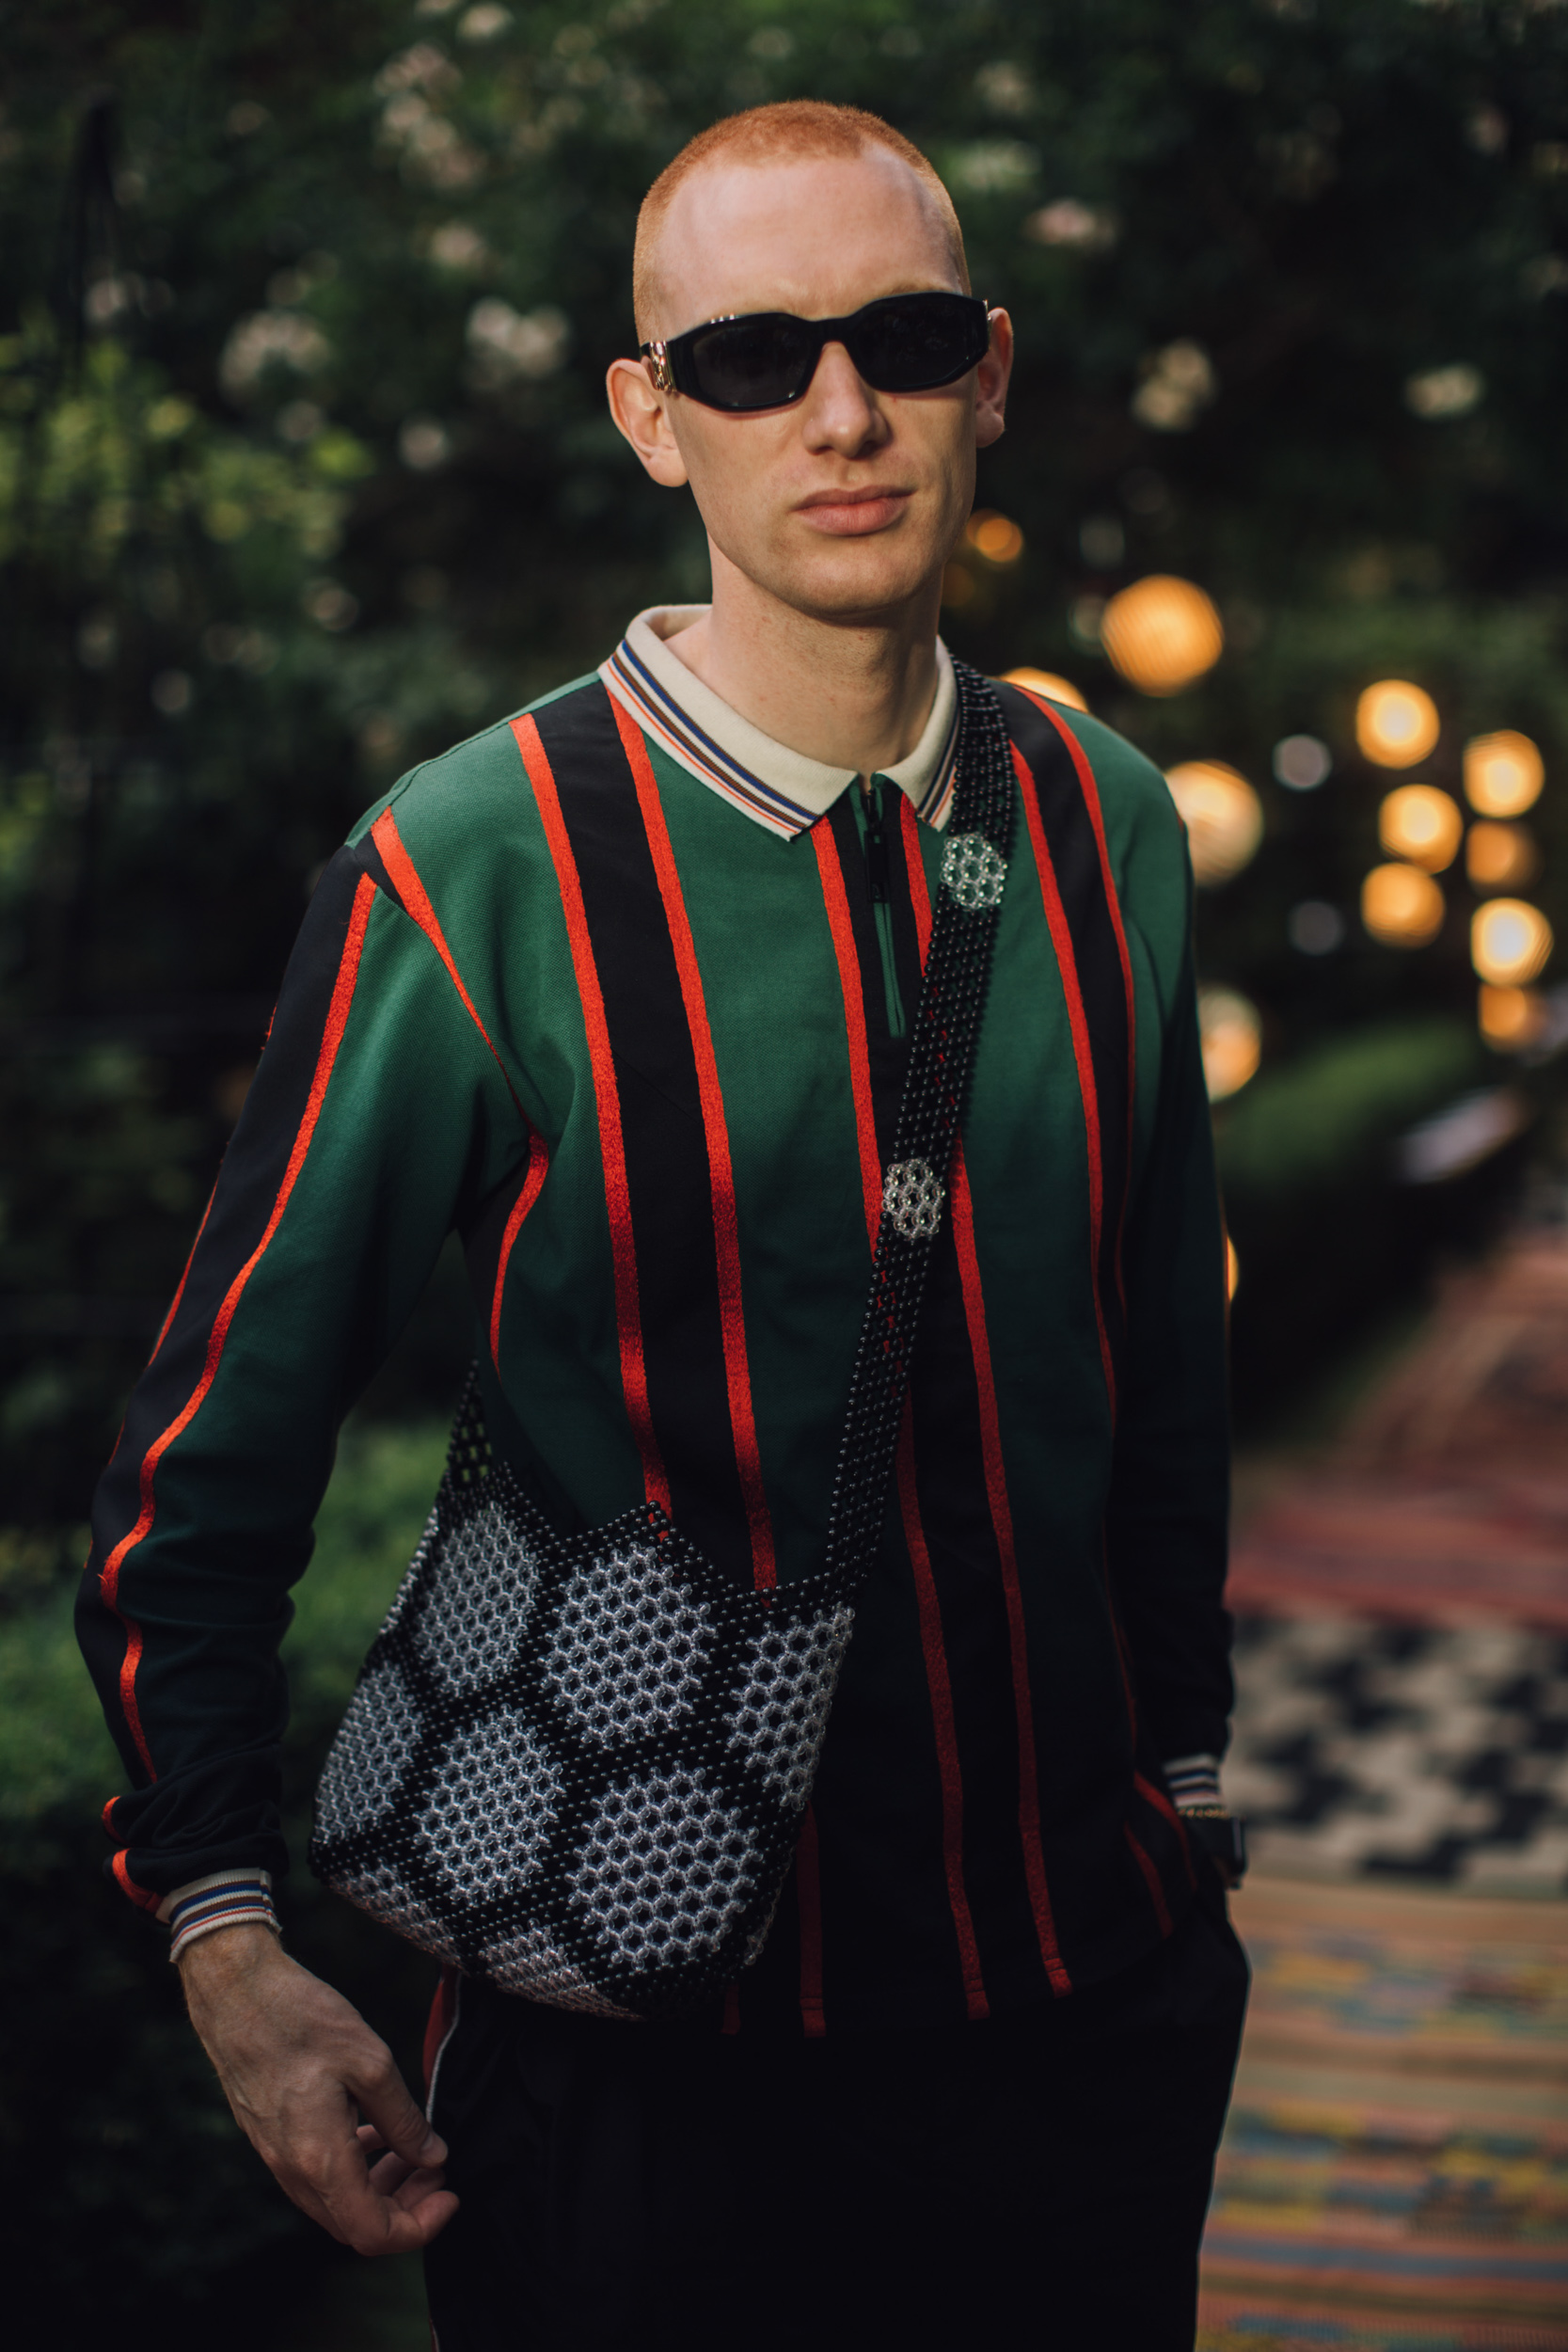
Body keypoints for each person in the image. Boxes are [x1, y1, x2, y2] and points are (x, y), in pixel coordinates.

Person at [78, 99, 1245, 2352]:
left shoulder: (1103, 816)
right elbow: (203, 1467)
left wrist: (1182, 1804)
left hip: (1081, 2018)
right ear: (648, 414)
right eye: (751, 357)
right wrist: (223, 1928)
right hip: (637, 2059)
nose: (842, 412)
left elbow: (1158, 1364)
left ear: (990, 371)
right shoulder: (475, 859)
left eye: (904, 340)